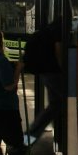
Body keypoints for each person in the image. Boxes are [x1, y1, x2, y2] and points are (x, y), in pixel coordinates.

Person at [0, 31, 38, 155]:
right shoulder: (1, 61)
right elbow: (9, 85)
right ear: (0, 44)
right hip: (5, 109)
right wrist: (18, 69)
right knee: (14, 144)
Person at [23, 18, 63, 147]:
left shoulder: (48, 29)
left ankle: (27, 140)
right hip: (52, 72)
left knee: (55, 105)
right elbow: (58, 49)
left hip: (45, 72)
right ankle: (27, 140)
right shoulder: (60, 28)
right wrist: (63, 69)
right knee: (57, 105)